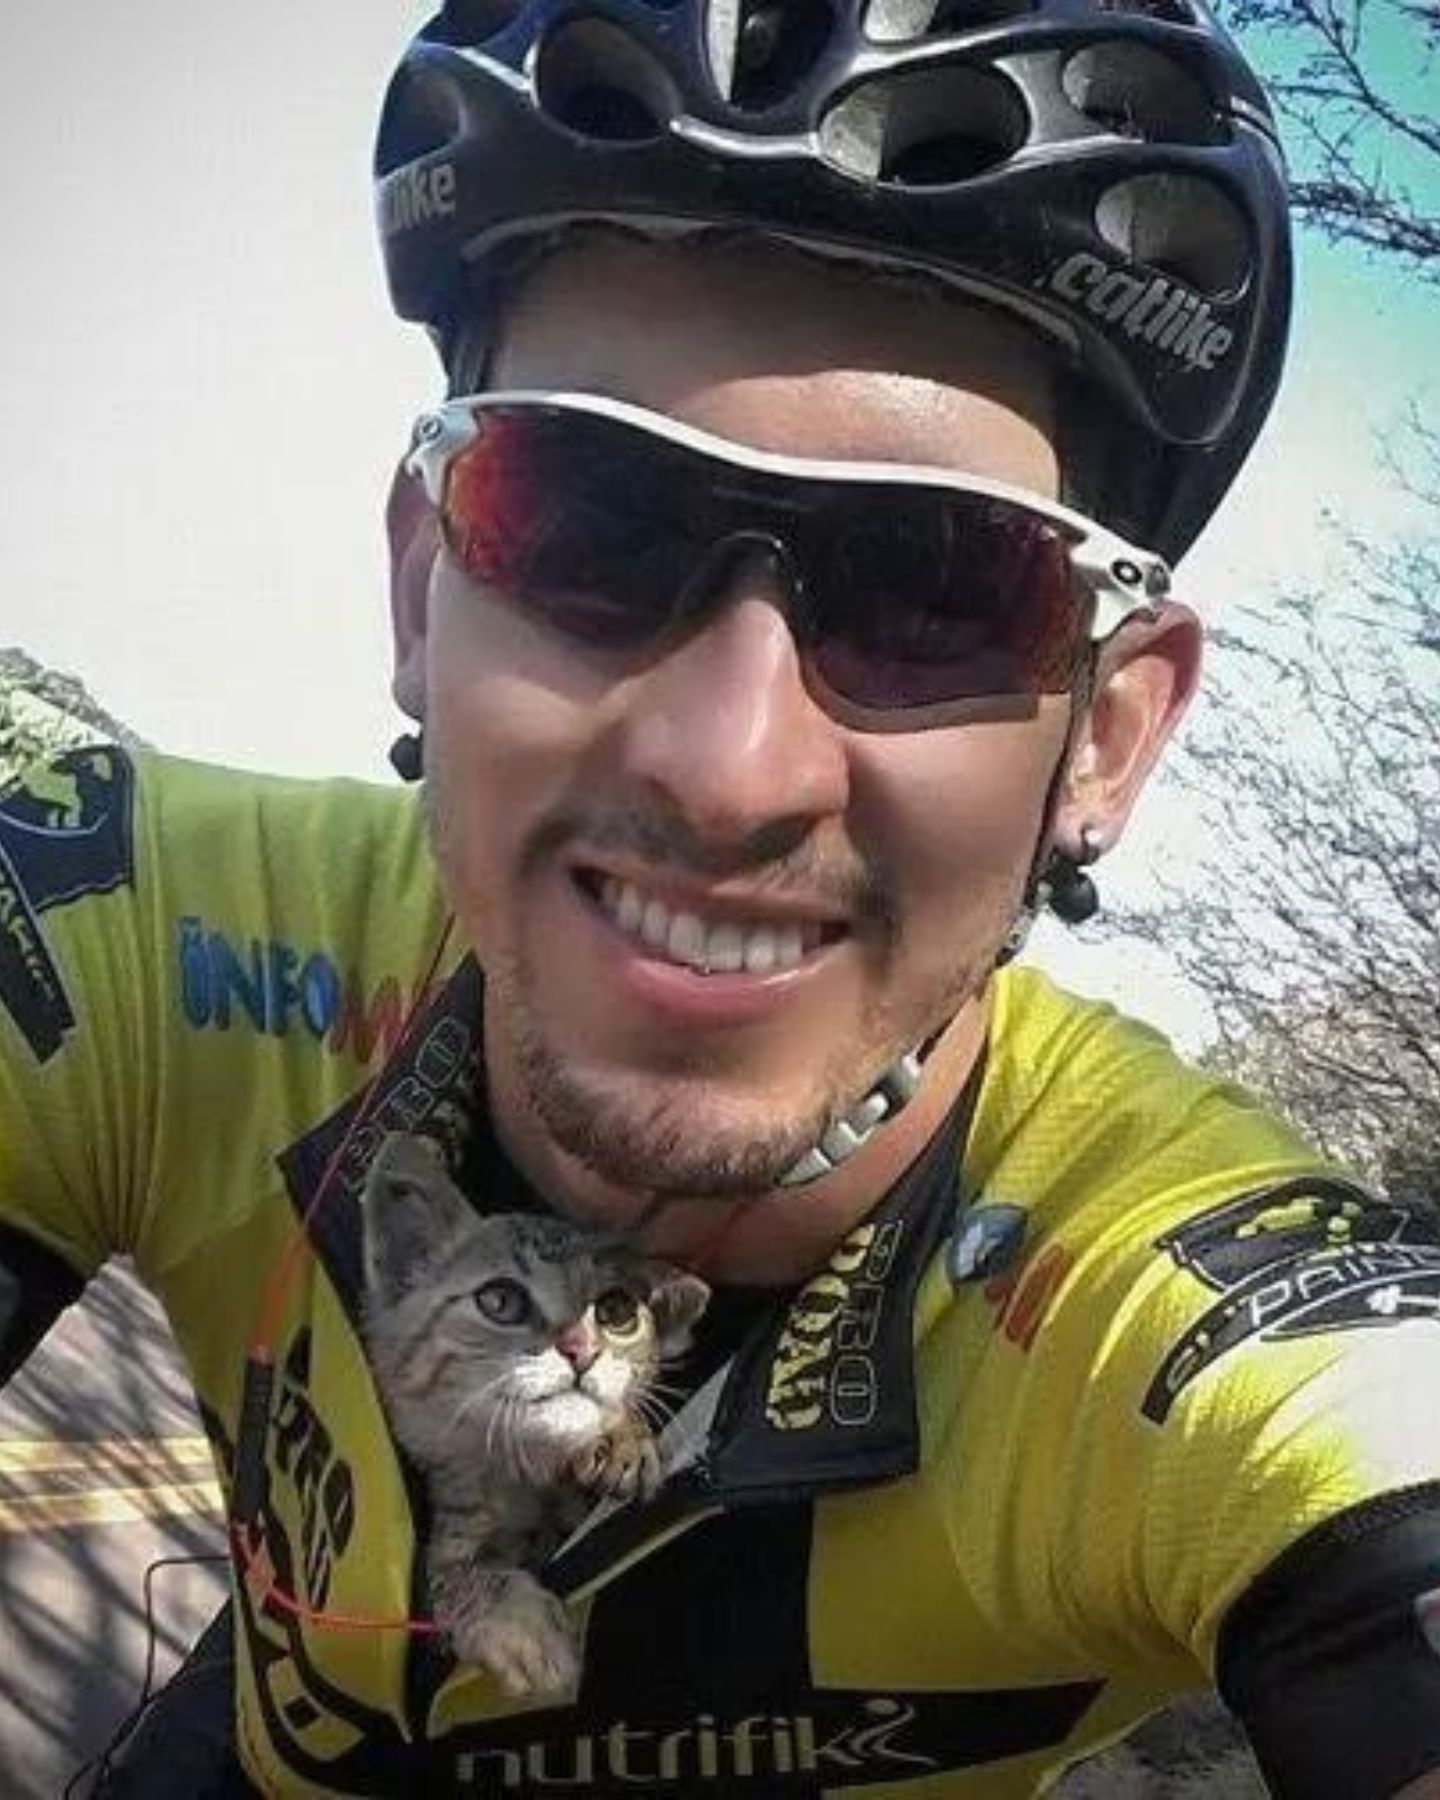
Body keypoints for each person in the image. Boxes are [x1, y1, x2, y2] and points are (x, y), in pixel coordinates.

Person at [4, 0, 1440, 1794]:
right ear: (418, 589)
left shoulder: (1153, 1303)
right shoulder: (150, 940)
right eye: (584, 519)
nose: (729, 765)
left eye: (941, 586)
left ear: (1108, 739)